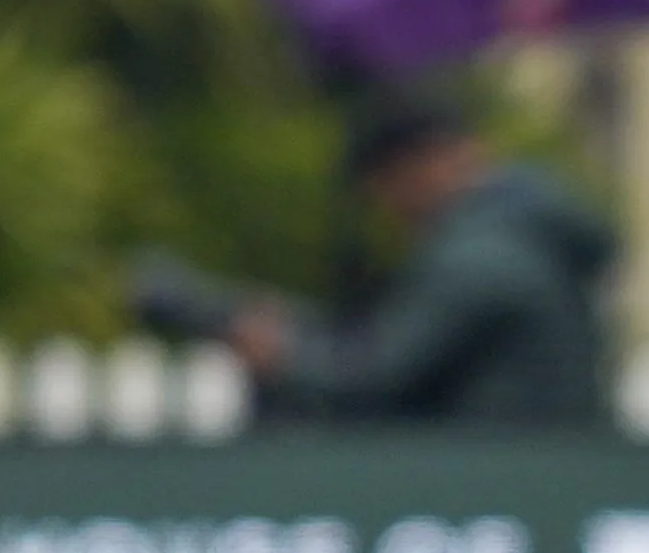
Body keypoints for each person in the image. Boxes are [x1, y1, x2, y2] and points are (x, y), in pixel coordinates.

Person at [227, 102, 614, 427]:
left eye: (387, 186)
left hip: (494, 474)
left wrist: (284, 356)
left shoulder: (476, 257)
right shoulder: (529, 234)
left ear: (425, 163)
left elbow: (381, 375)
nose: (388, 209)